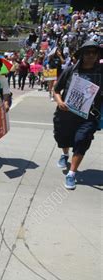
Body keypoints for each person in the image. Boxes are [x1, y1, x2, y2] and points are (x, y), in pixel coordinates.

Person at [52, 41, 102, 190]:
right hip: (66, 114)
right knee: (63, 138)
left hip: (89, 116)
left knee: (82, 140)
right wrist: (60, 101)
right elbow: (56, 90)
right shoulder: (70, 71)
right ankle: (65, 154)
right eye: (87, 52)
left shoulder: (101, 72)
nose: (91, 55)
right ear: (81, 54)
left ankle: (71, 174)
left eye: (94, 52)